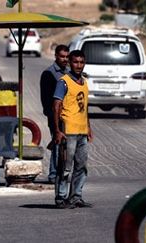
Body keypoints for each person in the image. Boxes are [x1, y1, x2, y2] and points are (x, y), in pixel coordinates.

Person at [53, 50, 93, 209]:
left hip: (82, 131)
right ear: (70, 63)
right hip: (68, 130)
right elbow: (56, 106)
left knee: (81, 166)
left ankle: (76, 196)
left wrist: (89, 127)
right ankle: (61, 198)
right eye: (75, 62)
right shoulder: (63, 82)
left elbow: (85, 107)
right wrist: (57, 130)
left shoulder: (84, 82)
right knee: (65, 167)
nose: (79, 65)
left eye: (81, 62)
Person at [40, 45, 70, 183]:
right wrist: (53, 118)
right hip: (55, 117)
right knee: (57, 145)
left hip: (69, 117)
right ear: (56, 56)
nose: (65, 59)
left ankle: (63, 173)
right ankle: (53, 175)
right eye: (62, 56)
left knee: (67, 147)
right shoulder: (49, 73)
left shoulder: (69, 72)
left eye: (66, 56)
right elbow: (46, 100)